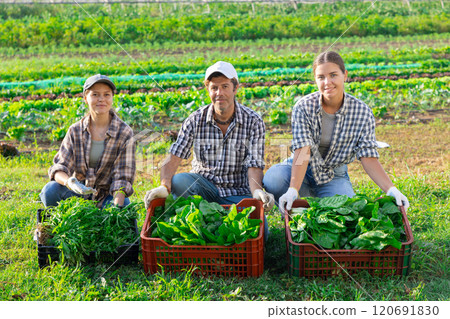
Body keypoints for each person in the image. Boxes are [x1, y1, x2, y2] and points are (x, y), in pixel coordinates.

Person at [263, 51, 409, 213]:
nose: (327, 82)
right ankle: (294, 203)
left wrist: (391, 189)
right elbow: (303, 151)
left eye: (333, 75)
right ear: (315, 79)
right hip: (300, 169)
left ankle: (321, 198)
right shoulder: (303, 107)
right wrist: (293, 189)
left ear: (344, 75)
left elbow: (368, 156)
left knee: (347, 211)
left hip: (333, 175)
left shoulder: (361, 112)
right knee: (273, 179)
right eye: (321, 77)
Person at [144, 61, 274, 239]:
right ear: (208, 90)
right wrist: (164, 186)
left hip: (238, 192)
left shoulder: (253, 121)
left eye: (225, 87)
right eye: (214, 88)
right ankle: (201, 218)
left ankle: (214, 222)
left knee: (262, 234)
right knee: (180, 180)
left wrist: (257, 192)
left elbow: (254, 165)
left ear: (235, 88)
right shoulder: (195, 120)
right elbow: (174, 157)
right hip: (204, 189)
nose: (219, 93)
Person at [40, 74, 136, 208]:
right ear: (86, 98)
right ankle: (55, 225)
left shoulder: (124, 133)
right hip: (76, 193)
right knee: (50, 190)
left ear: (112, 98)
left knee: (124, 205)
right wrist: (70, 182)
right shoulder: (75, 131)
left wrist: (116, 208)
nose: (101, 99)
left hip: (106, 196)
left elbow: (122, 177)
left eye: (106, 94)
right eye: (95, 94)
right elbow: (59, 168)